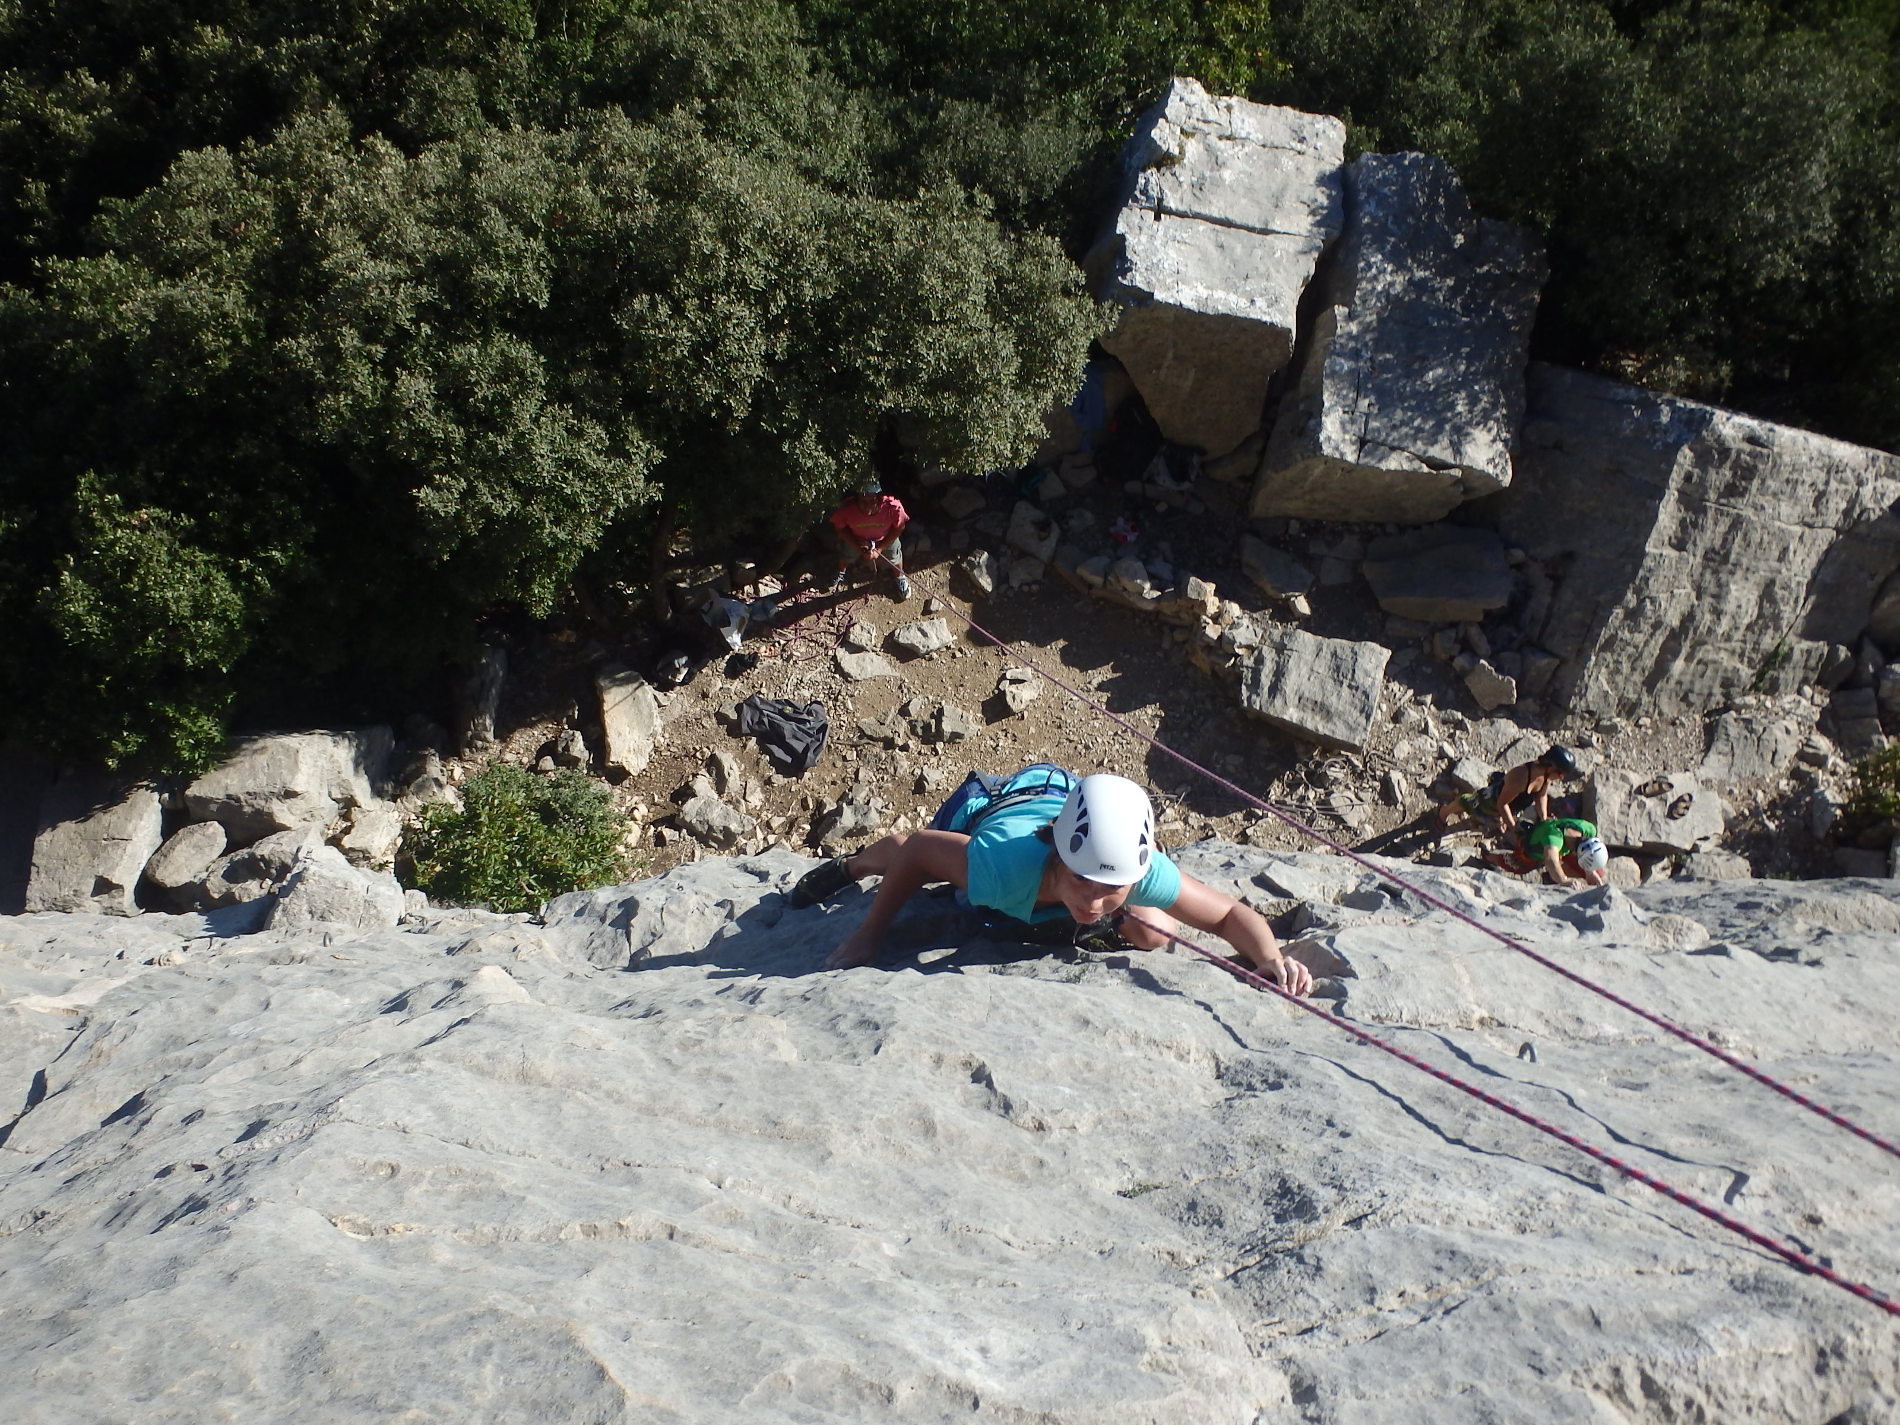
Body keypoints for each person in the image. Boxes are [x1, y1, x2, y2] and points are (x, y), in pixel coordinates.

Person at [788, 765, 1315, 994]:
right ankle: (851, 865)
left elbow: (1227, 914)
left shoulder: (1130, 873)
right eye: (1084, 882)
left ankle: (1072, 925)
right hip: (997, 811)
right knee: (905, 857)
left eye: (1112, 889)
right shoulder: (999, 869)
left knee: (1154, 933)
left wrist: (1269, 958)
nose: (1097, 897)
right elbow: (923, 850)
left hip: (1064, 801)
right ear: (1060, 858)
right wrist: (870, 932)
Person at [1433, 744, 1581, 838]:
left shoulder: (1546, 777)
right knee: (1469, 802)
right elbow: (1502, 803)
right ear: (1551, 766)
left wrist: (1543, 817)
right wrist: (1513, 826)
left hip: (1514, 805)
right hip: (1493, 799)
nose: (1561, 777)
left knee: (1496, 816)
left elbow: (1541, 795)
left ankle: (1498, 820)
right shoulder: (1521, 777)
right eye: (1560, 773)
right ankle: (1443, 812)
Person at [823, 479, 910, 600]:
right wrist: (857, 544)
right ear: (856, 499)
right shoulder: (847, 509)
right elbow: (840, 529)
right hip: (858, 538)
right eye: (863, 501)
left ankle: (900, 577)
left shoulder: (893, 507)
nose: (868, 505)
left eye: (872, 500)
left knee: (894, 557)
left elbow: (899, 528)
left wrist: (879, 549)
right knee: (846, 555)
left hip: (884, 537)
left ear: (879, 498)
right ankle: (840, 572)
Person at [1483, 816, 1609, 887]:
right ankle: (1488, 856)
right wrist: (1563, 880)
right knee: (1518, 866)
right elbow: (1550, 859)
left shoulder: (1589, 830)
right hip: (1532, 847)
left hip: (1565, 848)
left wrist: (1591, 872)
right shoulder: (1554, 838)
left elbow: (1588, 854)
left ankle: (1550, 876)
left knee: (1598, 872)